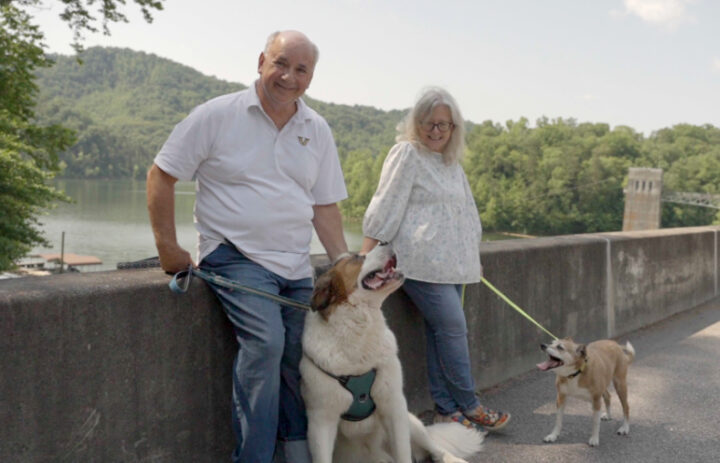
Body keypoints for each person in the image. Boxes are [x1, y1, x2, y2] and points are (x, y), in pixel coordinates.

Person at [146, 30, 348, 463]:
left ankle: (296, 453)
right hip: (233, 255)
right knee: (267, 345)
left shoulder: (316, 128)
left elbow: (324, 206)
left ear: (311, 78)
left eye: (300, 69)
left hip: (295, 265)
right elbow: (161, 175)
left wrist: (343, 267)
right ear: (261, 61)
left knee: (300, 356)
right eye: (280, 63)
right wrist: (167, 246)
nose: (288, 77)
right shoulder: (217, 115)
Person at [360, 87, 511, 432]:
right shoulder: (407, 154)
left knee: (437, 332)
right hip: (419, 263)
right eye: (430, 123)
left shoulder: (450, 164)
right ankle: (470, 405)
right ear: (417, 123)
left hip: (454, 265)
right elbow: (386, 204)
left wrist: (472, 255)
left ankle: (446, 410)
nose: (437, 131)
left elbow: (467, 214)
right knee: (453, 327)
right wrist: (362, 258)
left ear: (454, 128)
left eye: (445, 125)